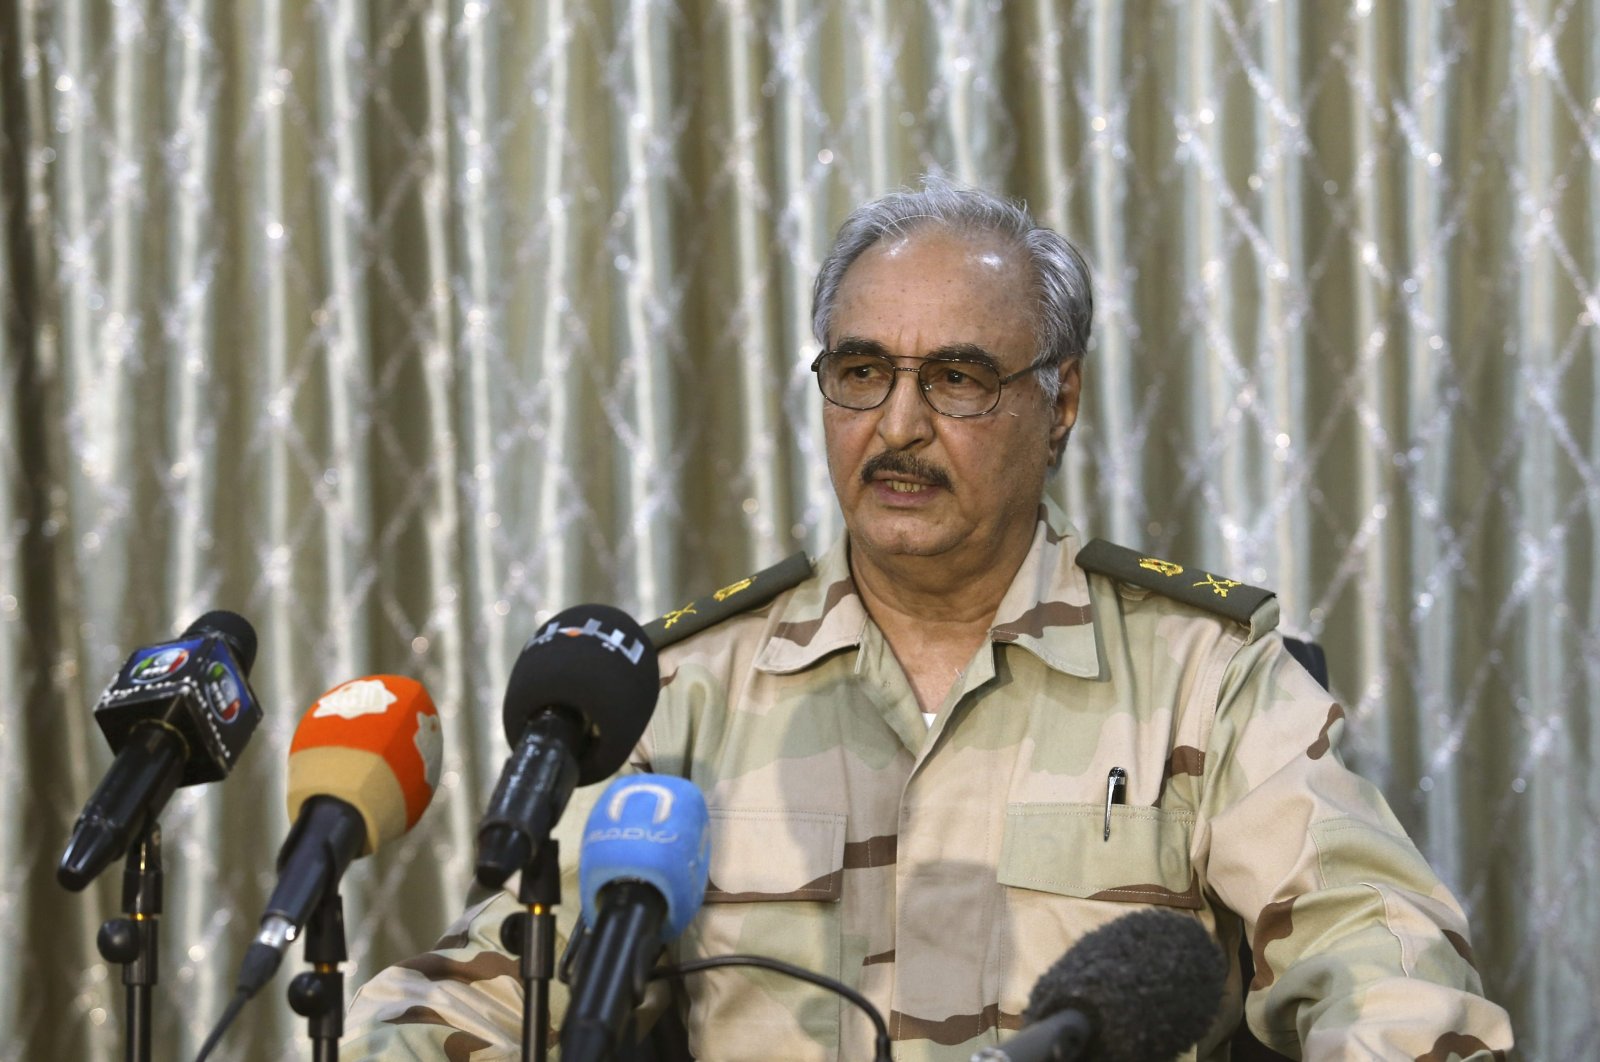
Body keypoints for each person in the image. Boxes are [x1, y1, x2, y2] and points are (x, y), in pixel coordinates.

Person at [344, 182, 1514, 1060]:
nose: (896, 425)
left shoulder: (1200, 673)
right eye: (860, 372)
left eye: (956, 378)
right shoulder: (682, 691)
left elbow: (1383, 958)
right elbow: (495, 983)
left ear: (1058, 403)